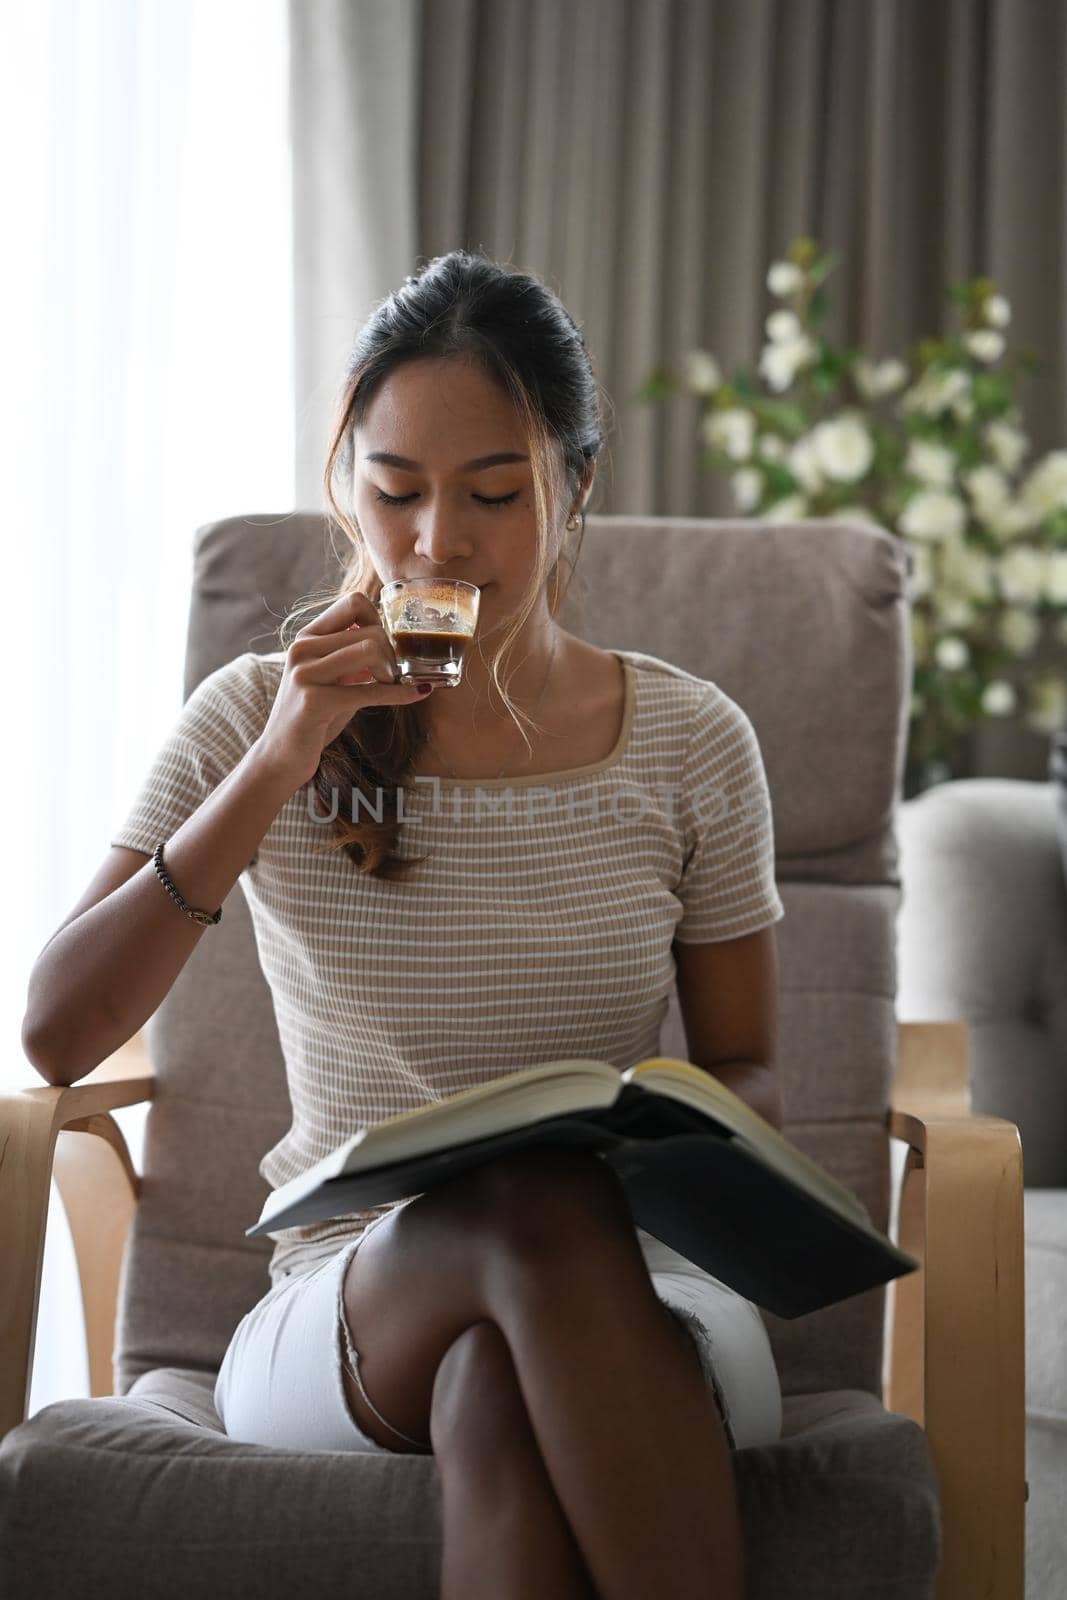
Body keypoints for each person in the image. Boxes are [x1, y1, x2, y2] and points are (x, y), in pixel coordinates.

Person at [22, 250, 786, 1600]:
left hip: (635, 1290)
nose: (437, 541)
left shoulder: (690, 740)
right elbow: (58, 1035)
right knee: (518, 1214)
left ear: (576, 487)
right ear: (348, 488)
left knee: (504, 1355)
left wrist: (675, 1150)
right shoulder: (254, 719)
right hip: (340, 1303)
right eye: (395, 492)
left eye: (494, 493)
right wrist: (275, 763)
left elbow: (742, 1063)